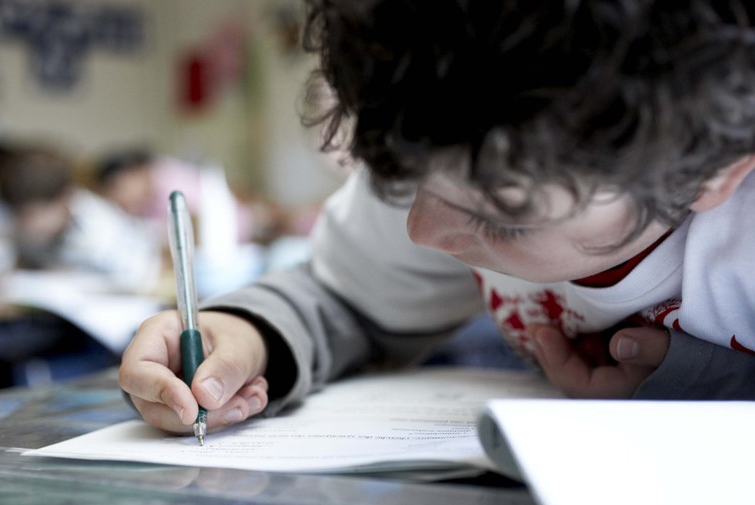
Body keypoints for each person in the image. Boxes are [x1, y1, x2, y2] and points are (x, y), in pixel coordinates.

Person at [119, 0, 755, 436]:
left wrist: (710, 387)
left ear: (712, 173)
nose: (422, 231)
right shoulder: (449, 148)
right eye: (399, 177)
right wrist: (247, 338)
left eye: (502, 218)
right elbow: (346, 298)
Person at [0, 140, 161, 293]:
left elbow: (141, 275)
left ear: (65, 198)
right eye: (21, 215)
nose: (28, 225)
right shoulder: (12, 218)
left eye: (36, 215)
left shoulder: (99, 227)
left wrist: (70, 280)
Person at [93, 148, 264, 297]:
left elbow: (199, 224)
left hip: (231, 256)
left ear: (133, 171)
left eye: (120, 189)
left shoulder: (169, 180)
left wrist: (165, 263)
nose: (121, 201)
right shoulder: (148, 198)